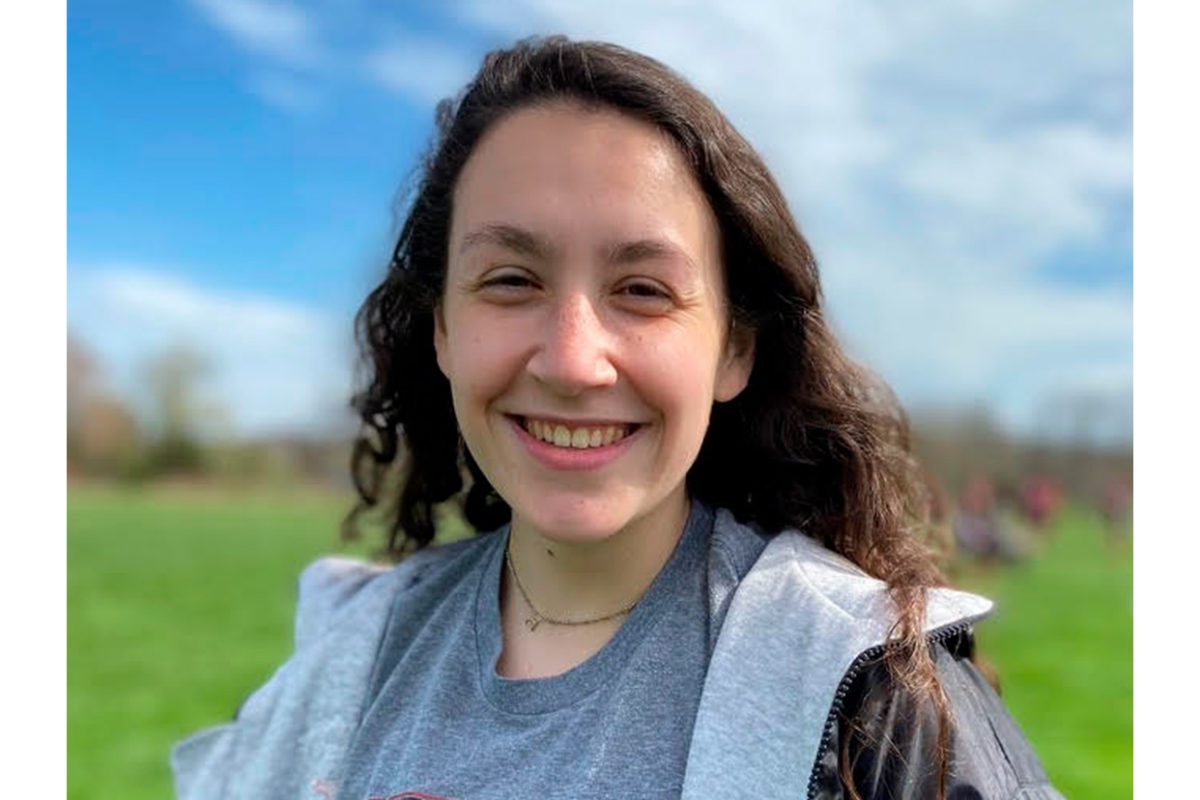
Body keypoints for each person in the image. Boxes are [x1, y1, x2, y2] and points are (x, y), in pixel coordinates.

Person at [172, 36, 1062, 799]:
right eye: (511, 280)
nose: (571, 360)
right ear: (441, 328)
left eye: (642, 290)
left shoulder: (877, 695)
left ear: (734, 350)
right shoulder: (353, 652)